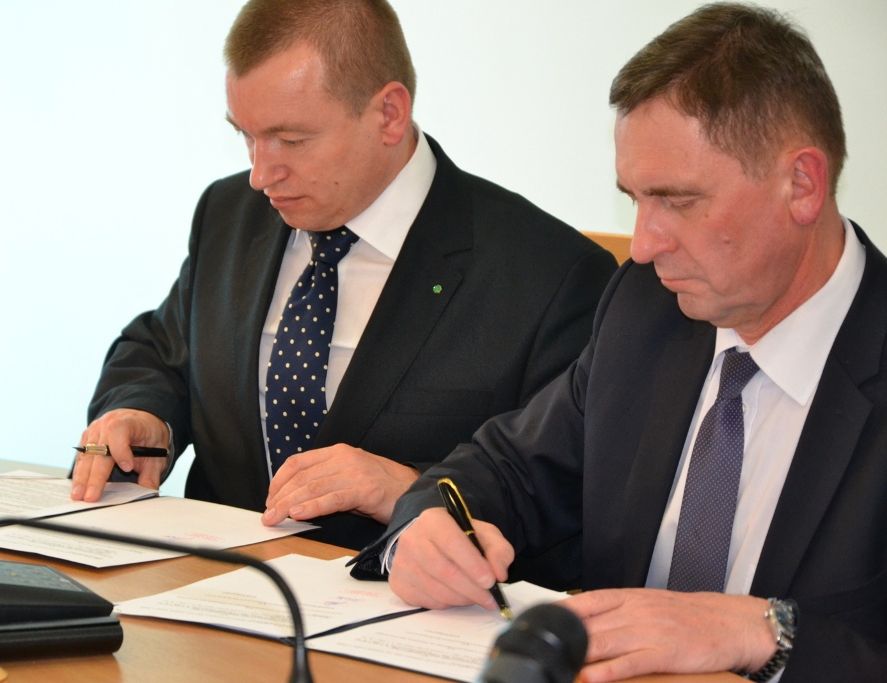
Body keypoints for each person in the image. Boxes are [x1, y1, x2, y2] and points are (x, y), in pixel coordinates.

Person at [352, 3, 887, 680]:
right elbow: (505, 468)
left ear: (802, 185)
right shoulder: (646, 311)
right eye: (635, 199)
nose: (642, 245)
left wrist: (768, 633)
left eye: (677, 201)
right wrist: (426, 527)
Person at [69, 0, 616, 551]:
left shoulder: (549, 275)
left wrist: (412, 489)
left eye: (292, 140)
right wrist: (142, 413)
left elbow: (565, 490)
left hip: (400, 594)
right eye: (246, 136)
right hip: (207, 579)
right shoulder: (229, 212)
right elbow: (165, 349)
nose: (261, 173)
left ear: (389, 114)